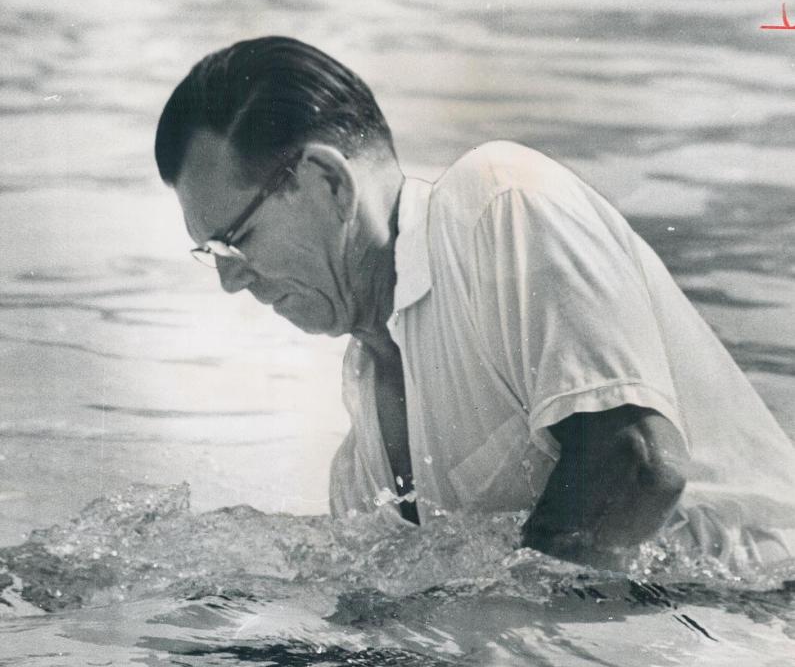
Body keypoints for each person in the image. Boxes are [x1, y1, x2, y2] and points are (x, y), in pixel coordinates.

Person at [155, 36, 795, 570]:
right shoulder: (358, 470)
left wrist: (481, 647)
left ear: (328, 183)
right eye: (213, 255)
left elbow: (637, 465)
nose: (231, 282)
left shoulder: (501, 203)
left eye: (235, 241)